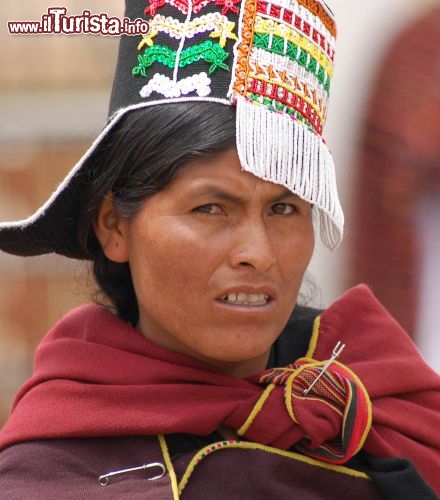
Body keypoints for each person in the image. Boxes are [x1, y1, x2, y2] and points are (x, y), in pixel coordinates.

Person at [0, 0, 439, 498]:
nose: (258, 253)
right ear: (114, 227)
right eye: (211, 208)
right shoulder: (52, 476)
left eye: (284, 209)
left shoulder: (386, 398)